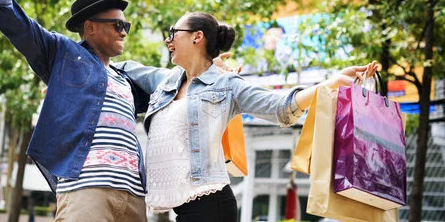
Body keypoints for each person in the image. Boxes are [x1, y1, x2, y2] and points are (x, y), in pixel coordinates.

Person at [115, 12, 378, 221]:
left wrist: (329, 84)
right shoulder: (164, 81)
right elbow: (121, 68)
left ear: (197, 37)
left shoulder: (227, 84)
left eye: (173, 33)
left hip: (209, 204)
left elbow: (279, 107)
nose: (167, 40)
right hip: (180, 207)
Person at [0, 0, 149, 221]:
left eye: (125, 26)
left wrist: (211, 67)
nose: (124, 32)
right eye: (117, 25)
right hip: (86, 190)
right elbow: (13, 18)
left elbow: (175, 95)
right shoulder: (63, 54)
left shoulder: (127, 80)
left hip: (133, 196)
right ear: (90, 27)